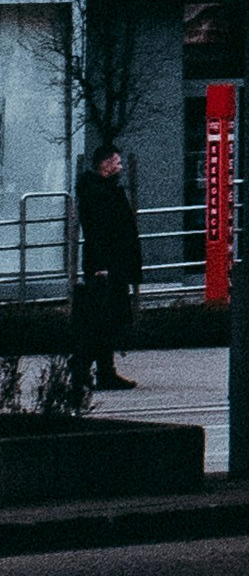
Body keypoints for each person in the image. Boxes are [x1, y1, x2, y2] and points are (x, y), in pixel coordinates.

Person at [71, 135, 139, 392]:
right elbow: (100, 231)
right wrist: (102, 266)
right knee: (102, 320)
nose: (120, 166)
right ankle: (83, 366)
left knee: (106, 320)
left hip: (112, 264)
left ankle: (102, 370)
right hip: (106, 266)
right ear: (106, 164)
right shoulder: (99, 193)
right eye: (117, 162)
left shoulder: (102, 189)